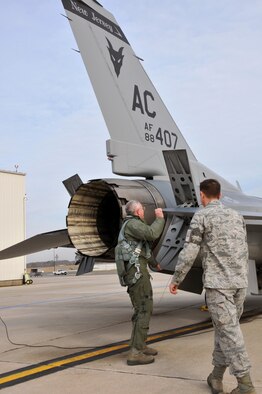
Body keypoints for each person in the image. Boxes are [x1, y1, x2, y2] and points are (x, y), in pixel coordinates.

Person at [169, 179, 256, 394]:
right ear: (220, 194)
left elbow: (189, 251)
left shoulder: (202, 216)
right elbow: (243, 249)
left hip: (219, 285)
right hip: (239, 284)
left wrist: (177, 279)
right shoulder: (237, 216)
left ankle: (245, 384)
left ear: (202, 195)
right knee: (224, 330)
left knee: (229, 332)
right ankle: (216, 377)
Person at [115, 200, 164, 366]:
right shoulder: (133, 225)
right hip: (137, 274)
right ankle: (135, 353)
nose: (144, 211)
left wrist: (154, 263)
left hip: (139, 272)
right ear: (137, 212)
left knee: (142, 310)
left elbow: (141, 250)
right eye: (142, 209)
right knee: (144, 310)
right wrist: (160, 218)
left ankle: (140, 345)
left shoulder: (133, 226)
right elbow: (151, 233)